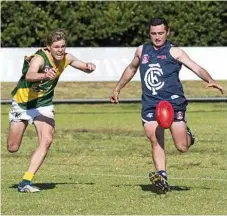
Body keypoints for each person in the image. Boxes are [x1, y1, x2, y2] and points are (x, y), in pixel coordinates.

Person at [110, 17, 224, 193]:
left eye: (161, 33)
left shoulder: (175, 52)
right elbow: (131, 68)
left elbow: (195, 67)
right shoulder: (142, 50)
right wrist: (118, 88)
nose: (157, 37)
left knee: (182, 147)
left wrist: (210, 80)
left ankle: (188, 134)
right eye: (153, 33)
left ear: (167, 32)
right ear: (149, 33)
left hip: (174, 103)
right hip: (151, 104)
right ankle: (162, 178)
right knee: (156, 140)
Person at [7, 29, 96, 193]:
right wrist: (44, 75)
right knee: (12, 147)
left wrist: (89, 67)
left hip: (44, 104)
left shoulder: (67, 58)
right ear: (48, 47)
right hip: (23, 104)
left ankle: (25, 181)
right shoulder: (40, 58)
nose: (60, 50)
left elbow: (83, 66)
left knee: (46, 140)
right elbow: (30, 75)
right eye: (56, 47)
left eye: (63, 46)